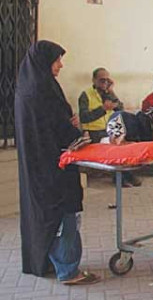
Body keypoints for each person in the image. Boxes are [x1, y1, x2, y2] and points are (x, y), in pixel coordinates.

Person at [15, 40, 101, 285]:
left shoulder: (28, 87)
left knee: (44, 214)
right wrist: (73, 128)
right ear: (44, 61)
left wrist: (67, 122)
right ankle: (68, 270)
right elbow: (57, 127)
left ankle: (48, 262)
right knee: (63, 213)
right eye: (57, 60)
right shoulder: (41, 91)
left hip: (38, 166)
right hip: (54, 166)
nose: (60, 65)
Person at [78, 68, 141, 187]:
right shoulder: (86, 95)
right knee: (113, 146)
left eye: (107, 80)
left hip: (109, 130)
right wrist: (103, 109)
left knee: (125, 144)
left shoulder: (108, 94)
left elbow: (120, 108)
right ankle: (121, 178)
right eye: (102, 80)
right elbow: (84, 117)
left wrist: (112, 92)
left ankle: (127, 175)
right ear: (94, 80)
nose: (105, 83)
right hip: (94, 132)